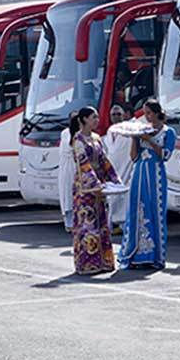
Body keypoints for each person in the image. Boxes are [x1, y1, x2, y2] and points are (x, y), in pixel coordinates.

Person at [120, 98, 175, 269]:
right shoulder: (142, 130)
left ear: (157, 113)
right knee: (137, 211)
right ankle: (135, 254)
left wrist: (149, 140)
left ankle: (155, 256)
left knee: (155, 212)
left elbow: (164, 155)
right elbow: (134, 157)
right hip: (139, 173)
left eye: (149, 113)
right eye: (145, 114)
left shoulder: (168, 132)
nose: (147, 117)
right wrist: (135, 139)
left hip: (155, 175)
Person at [70, 106, 119, 275]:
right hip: (85, 188)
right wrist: (95, 184)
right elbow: (84, 165)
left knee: (102, 223)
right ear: (84, 120)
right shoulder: (78, 140)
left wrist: (114, 179)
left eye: (97, 117)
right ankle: (87, 263)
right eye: (93, 118)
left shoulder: (96, 138)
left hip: (99, 187)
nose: (97, 121)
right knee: (87, 225)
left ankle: (104, 262)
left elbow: (104, 161)